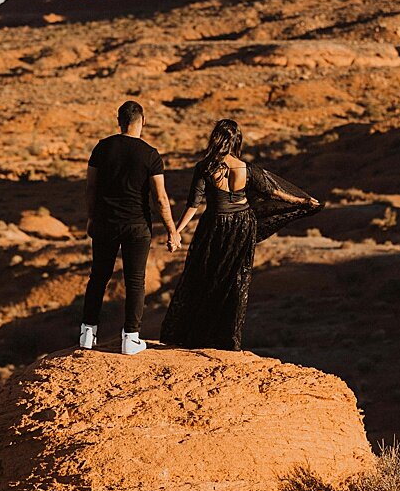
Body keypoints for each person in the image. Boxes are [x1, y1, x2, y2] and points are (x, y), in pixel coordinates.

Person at [159, 119, 323, 350]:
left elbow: (193, 205)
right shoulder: (247, 169)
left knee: (205, 277)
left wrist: (176, 232)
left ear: (215, 139)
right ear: (237, 141)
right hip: (242, 226)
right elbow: (274, 192)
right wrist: (303, 201)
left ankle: (197, 336)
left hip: (214, 226)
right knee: (235, 281)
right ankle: (226, 340)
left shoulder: (205, 167)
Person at [78, 101, 180, 355]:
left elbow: (91, 187)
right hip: (136, 225)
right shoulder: (150, 154)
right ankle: (130, 338)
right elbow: (160, 198)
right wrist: (172, 230)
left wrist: (91, 218)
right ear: (142, 121)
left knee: (98, 277)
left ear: (119, 120)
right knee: (135, 281)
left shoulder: (102, 148)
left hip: (104, 222)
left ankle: (87, 334)